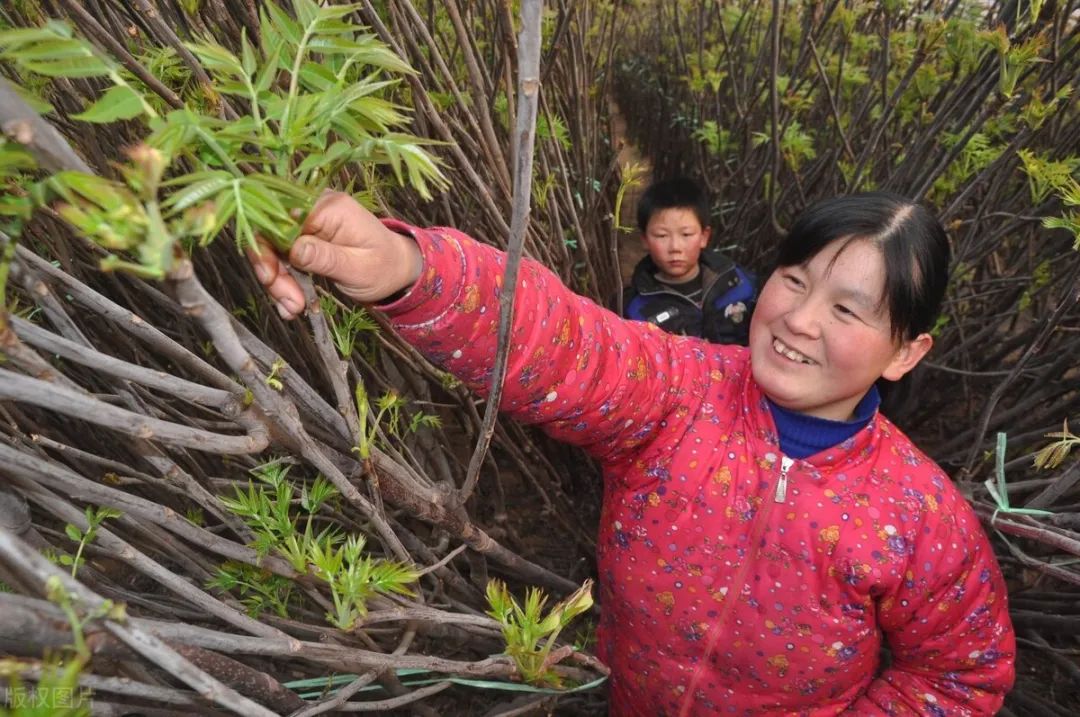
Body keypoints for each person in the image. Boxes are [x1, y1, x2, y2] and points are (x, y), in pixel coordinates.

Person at [250, 191, 1015, 715]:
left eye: (846, 308)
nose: (799, 319)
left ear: (906, 352)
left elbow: (962, 671)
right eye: (793, 279)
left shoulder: (917, 515)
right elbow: (563, 343)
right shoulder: (680, 391)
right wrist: (407, 269)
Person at [621, 177, 757, 344]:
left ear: (704, 237)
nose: (675, 247)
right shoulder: (636, 309)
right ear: (644, 239)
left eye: (686, 234)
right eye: (662, 236)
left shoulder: (739, 282)